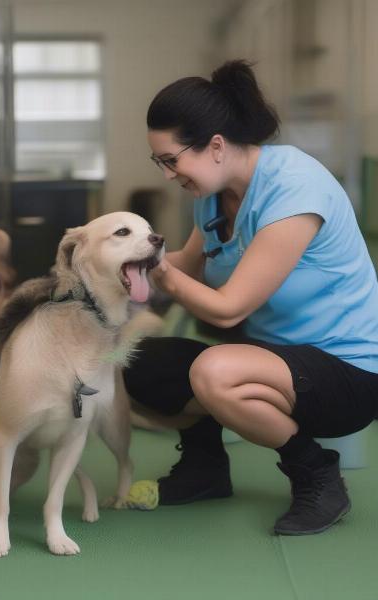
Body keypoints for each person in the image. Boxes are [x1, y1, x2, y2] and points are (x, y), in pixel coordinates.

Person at [123, 59, 378, 535]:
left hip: (348, 372)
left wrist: (161, 275)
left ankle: (317, 474)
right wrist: (115, 265)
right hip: (272, 360)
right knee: (130, 360)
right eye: (159, 162)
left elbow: (228, 307)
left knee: (214, 371)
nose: (166, 174)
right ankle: (205, 470)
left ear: (215, 146)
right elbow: (187, 265)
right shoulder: (213, 196)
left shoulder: (294, 189)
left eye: (171, 160)